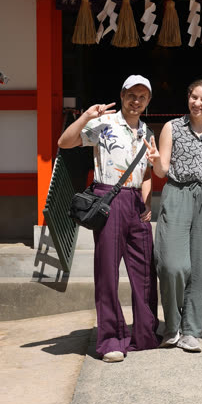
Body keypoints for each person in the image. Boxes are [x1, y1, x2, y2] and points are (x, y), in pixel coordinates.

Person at [58, 75, 160, 363]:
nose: (136, 100)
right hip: (109, 198)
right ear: (122, 94)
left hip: (137, 202)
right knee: (107, 272)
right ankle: (111, 339)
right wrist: (86, 116)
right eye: (131, 94)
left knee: (144, 272)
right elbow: (64, 142)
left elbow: (149, 174)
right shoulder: (104, 124)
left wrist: (147, 202)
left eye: (142, 96)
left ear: (148, 101)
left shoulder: (148, 133)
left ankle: (145, 333)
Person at [145, 78, 202, 353]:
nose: (197, 103)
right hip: (176, 194)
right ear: (188, 98)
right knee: (171, 265)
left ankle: (191, 331)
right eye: (194, 97)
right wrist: (155, 160)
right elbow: (162, 171)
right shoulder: (172, 127)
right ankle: (172, 326)